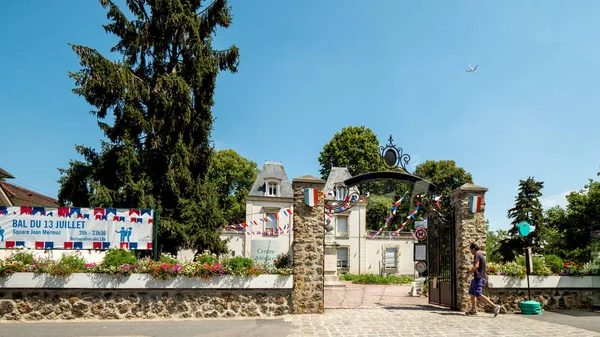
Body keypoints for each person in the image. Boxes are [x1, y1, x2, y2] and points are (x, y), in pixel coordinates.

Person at [464, 243, 500, 316]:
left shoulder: (477, 255)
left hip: (479, 278)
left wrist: (468, 275)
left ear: (473, 249)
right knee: (472, 294)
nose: (471, 251)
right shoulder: (480, 255)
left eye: (471, 249)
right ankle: (473, 310)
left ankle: (495, 306)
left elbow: (476, 266)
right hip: (477, 278)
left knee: (478, 294)